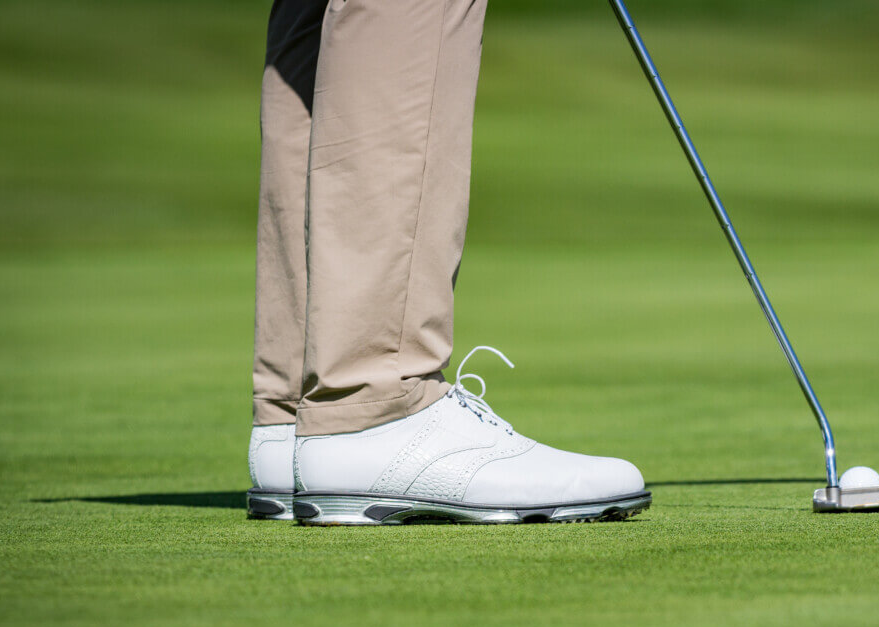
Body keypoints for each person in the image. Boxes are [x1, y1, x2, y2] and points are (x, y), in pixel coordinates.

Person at [246, 0, 650, 525]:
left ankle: (296, 417)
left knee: (316, 11)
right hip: (371, 425)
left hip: (298, 436)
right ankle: (375, 402)